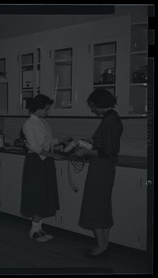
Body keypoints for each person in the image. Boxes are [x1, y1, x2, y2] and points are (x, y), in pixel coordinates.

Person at [73, 89, 123, 258]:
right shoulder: (113, 117)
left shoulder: (107, 121)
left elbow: (104, 152)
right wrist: (92, 143)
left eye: (92, 105)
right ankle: (105, 244)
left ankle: (101, 246)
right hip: (107, 168)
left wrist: (84, 152)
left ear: (99, 104)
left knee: (95, 206)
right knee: (103, 207)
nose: (92, 109)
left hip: (100, 169)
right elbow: (106, 145)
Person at [20, 94, 71, 242]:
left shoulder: (42, 122)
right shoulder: (29, 124)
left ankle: (39, 228)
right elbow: (35, 147)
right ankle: (34, 230)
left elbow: (47, 141)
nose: (47, 111)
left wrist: (61, 140)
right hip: (36, 162)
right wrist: (53, 155)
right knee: (38, 195)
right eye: (46, 109)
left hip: (45, 161)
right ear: (38, 108)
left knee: (45, 195)